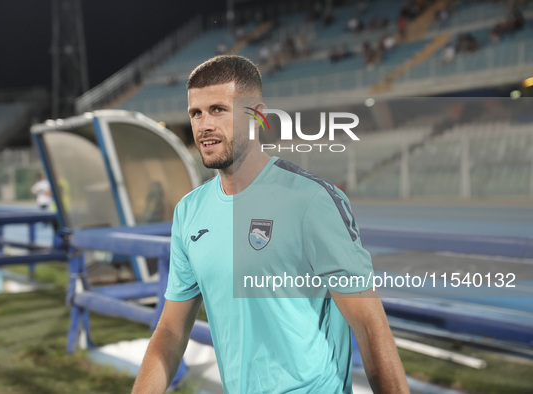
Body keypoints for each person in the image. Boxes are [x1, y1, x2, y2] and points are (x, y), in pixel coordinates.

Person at [131, 55, 408, 393]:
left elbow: (369, 326)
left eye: (218, 109)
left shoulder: (310, 200)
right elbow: (171, 331)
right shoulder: (189, 212)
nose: (204, 125)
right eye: (195, 113)